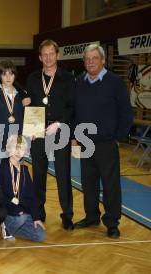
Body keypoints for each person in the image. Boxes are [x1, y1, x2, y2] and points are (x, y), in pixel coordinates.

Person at [72, 44, 133, 238]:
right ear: (84, 62)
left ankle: (112, 222)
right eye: (87, 59)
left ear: (103, 60)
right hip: (85, 143)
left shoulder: (115, 82)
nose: (90, 62)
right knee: (88, 183)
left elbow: (126, 112)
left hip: (107, 143)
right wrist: (74, 136)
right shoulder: (79, 82)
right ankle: (91, 216)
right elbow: (75, 112)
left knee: (110, 185)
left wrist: (118, 137)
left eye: (94, 58)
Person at [25, 39, 75, 229]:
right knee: (38, 175)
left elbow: (72, 106)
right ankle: (39, 212)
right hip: (39, 131)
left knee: (63, 174)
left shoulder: (68, 78)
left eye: (51, 54)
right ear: (40, 57)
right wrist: (31, 129)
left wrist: (60, 123)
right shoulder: (33, 78)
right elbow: (31, 105)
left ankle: (67, 215)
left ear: (57, 55)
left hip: (60, 130)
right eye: (44, 54)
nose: (48, 57)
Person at [0, 135, 46, 242]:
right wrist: (17, 210)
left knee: (40, 235)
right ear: (8, 149)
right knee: (20, 218)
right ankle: (6, 226)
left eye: (21, 148)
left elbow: (31, 196)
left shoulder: (25, 171)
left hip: (23, 212)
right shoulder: (0, 169)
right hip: (8, 211)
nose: (18, 151)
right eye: (15, 147)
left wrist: (36, 217)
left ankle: (14, 228)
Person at [0, 60, 25, 170]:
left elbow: (22, 123)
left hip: (16, 147)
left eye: (11, 73)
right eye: (4, 74)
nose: (8, 77)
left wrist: (22, 145)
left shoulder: (21, 96)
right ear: (0, 76)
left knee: (14, 182)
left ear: (15, 75)